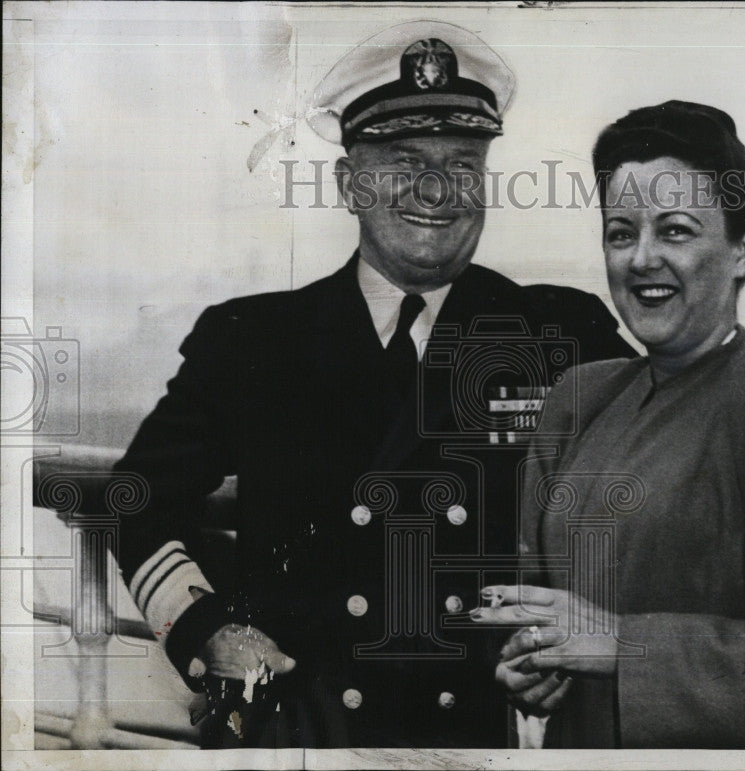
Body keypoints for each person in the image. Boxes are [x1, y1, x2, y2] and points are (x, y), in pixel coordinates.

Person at [111, 20, 634, 749]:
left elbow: (666, 462)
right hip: (299, 726)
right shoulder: (253, 340)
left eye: (462, 163)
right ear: (349, 182)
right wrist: (206, 631)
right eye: (403, 160)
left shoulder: (559, 332)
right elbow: (136, 494)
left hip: (480, 733)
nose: (435, 188)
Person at [472, 101, 745, 748]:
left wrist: (620, 645)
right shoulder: (578, 401)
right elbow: (548, 617)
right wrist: (530, 663)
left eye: (676, 231)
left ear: (742, 249)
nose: (641, 258)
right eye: (620, 232)